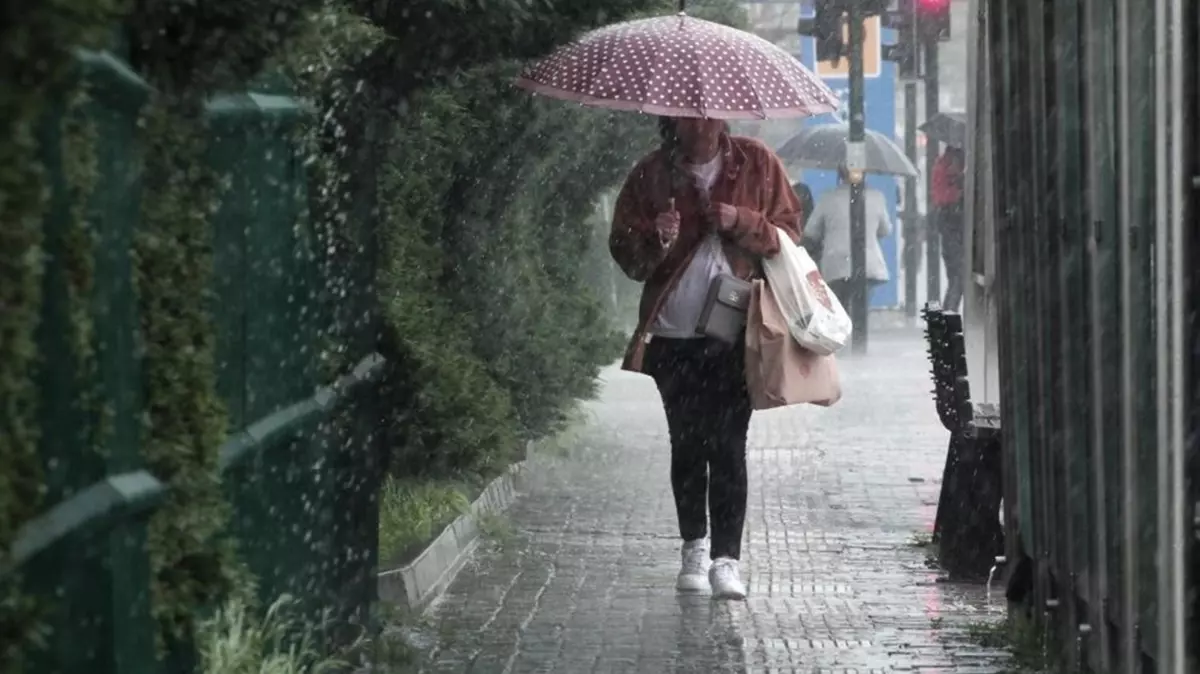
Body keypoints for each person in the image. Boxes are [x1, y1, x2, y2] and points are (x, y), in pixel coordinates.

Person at [609, 117, 801, 600]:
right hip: (673, 335)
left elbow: (790, 237)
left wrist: (743, 222)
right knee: (687, 444)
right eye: (688, 115)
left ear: (722, 116)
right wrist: (656, 237)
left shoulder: (757, 163)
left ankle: (726, 560)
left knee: (729, 444)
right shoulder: (651, 174)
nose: (699, 123)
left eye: (707, 113)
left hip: (736, 332)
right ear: (672, 120)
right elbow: (628, 258)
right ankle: (693, 547)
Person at [801, 166, 892, 314]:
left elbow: (811, 231)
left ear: (840, 175)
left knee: (839, 309)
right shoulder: (877, 197)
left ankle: (845, 331)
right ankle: (859, 333)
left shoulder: (828, 197)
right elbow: (885, 230)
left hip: (835, 263)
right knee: (860, 309)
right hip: (867, 263)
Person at [932, 145, 965, 311]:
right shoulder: (950, 167)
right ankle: (948, 317)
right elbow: (946, 196)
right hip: (953, 222)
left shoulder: (942, 164)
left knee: (955, 277)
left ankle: (948, 318)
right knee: (958, 277)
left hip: (948, 222)